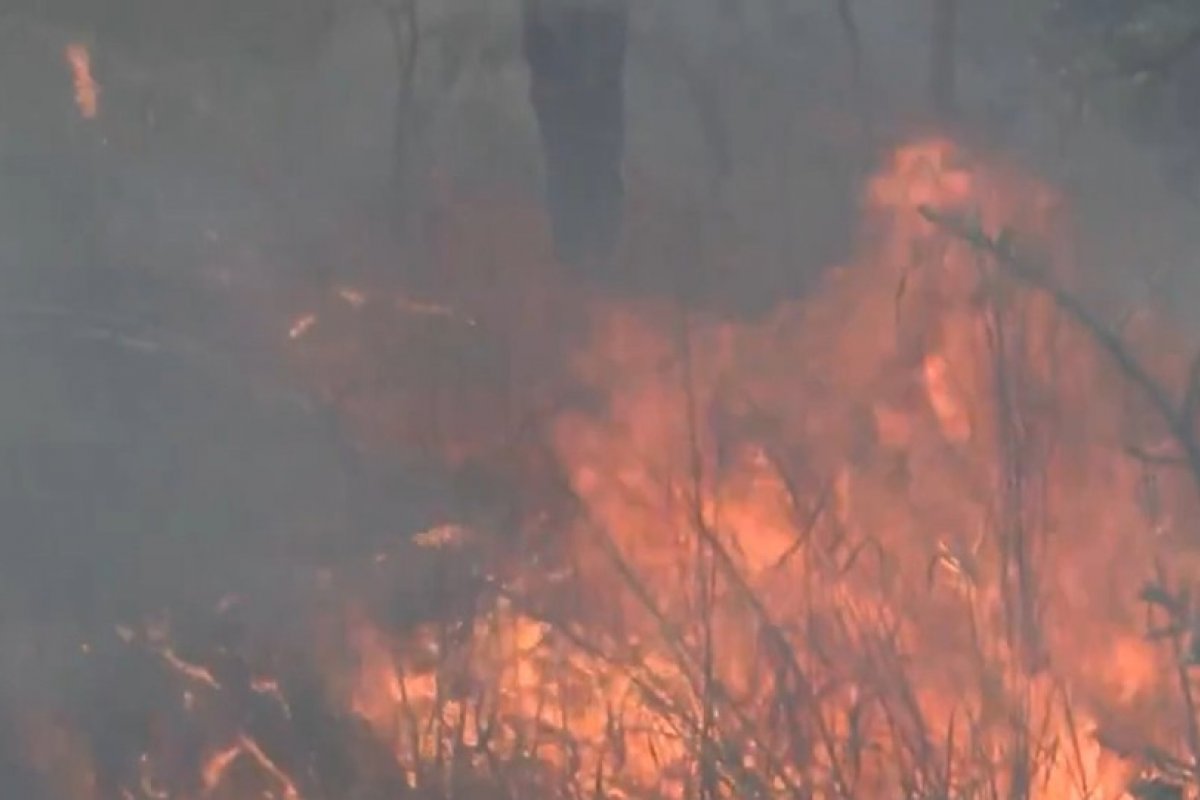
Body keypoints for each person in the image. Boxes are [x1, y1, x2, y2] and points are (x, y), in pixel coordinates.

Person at [522, 0, 630, 270]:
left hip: (589, 103)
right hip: (569, 102)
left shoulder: (603, 24)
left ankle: (592, 251)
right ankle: (578, 251)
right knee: (571, 170)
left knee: (589, 170)